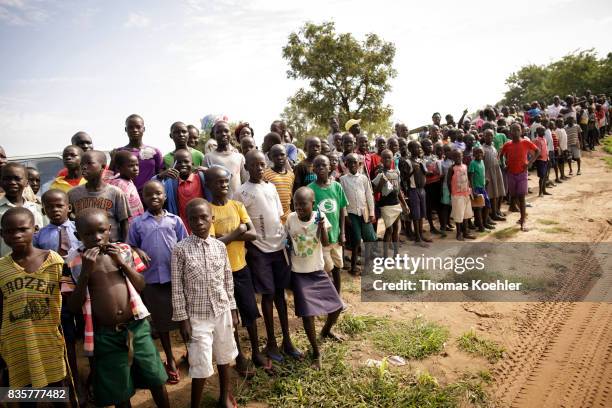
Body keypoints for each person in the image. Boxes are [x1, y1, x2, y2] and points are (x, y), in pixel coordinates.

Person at [66, 209, 169, 407]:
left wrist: (121, 263)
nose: (97, 238)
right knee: (120, 389)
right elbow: (73, 306)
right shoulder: (73, 263)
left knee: (156, 378)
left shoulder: (123, 251)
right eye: (88, 234)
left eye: (101, 231)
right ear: (78, 236)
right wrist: (86, 272)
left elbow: (141, 285)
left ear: (109, 230)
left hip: (136, 327)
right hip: (106, 334)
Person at [234, 150, 301, 363]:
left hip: (278, 247)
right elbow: (242, 224)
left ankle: (287, 341)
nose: (259, 168)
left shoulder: (271, 187)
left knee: (281, 295)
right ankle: (270, 342)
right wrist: (252, 245)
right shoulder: (241, 192)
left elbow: (279, 215)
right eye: (254, 165)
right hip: (259, 251)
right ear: (247, 167)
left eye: (262, 164)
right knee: (268, 295)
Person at [171, 199, 239, 408]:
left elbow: (227, 279)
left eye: (204, 217)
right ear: (187, 221)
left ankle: (224, 396)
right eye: (193, 218)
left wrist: (233, 308)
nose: (199, 222)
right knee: (200, 363)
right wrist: (183, 319)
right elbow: (177, 287)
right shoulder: (180, 250)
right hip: (197, 316)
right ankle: (195, 404)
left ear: (212, 218)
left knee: (224, 355)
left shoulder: (219, 246)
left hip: (222, 310)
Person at [207, 166, 270, 377]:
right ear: (208, 185)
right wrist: (237, 231)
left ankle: (255, 352)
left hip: (241, 269)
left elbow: (252, 234)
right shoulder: (207, 211)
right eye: (218, 182)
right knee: (231, 318)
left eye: (226, 182)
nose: (223, 185)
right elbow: (213, 244)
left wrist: (228, 236)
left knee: (250, 312)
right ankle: (240, 357)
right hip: (221, 274)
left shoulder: (237, 205)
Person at [0, 207, 69, 393]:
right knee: (24, 392)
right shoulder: (1, 267)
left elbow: (67, 298)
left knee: (57, 388)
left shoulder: (53, 261)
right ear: (2, 234)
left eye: (23, 229)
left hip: (47, 338)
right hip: (16, 342)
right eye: (10, 231)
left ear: (35, 229)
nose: (17, 235)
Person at [128, 180, 188, 385]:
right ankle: (170, 359)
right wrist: (138, 250)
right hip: (152, 281)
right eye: (149, 194)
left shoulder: (175, 220)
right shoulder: (137, 223)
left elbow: (185, 245)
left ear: (165, 197)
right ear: (143, 198)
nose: (154, 197)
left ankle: (191, 352)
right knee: (161, 324)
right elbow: (130, 247)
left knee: (183, 319)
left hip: (176, 279)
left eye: (158, 194)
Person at [286, 187, 344, 370]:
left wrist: (321, 227)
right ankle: (315, 351)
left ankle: (326, 330)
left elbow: (326, 243)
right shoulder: (290, 218)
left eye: (303, 204)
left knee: (337, 307)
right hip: (299, 272)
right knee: (307, 314)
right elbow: (287, 239)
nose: (299, 207)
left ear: (312, 204)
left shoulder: (319, 217)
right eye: (296, 204)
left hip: (317, 270)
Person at [33, 189, 82, 398]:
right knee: (66, 338)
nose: (55, 209)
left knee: (90, 335)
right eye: (50, 206)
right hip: (57, 295)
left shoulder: (80, 229)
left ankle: (95, 377)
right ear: (44, 209)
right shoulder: (39, 236)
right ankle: (74, 382)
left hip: (82, 289)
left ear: (69, 207)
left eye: (59, 205)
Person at [68, 150, 130, 243]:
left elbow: (124, 223)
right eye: (82, 164)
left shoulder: (115, 193)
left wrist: (124, 245)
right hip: (85, 246)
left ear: (103, 166)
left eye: (89, 163)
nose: (84, 167)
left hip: (112, 245)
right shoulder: (72, 194)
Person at [308, 155, 347, 294]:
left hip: (336, 236)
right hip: (320, 239)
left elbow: (342, 209)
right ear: (313, 170)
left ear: (330, 167)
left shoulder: (336, 187)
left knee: (337, 267)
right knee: (326, 269)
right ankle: (328, 296)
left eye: (324, 165)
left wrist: (342, 233)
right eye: (317, 166)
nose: (321, 168)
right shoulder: (310, 190)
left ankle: (338, 295)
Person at [339, 153, 376, 275]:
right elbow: (342, 200)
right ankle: (353, 267)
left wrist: (371, 212)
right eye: (350, 162)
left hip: (364, 212)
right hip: (351, 213)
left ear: (359, 164)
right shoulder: (343, 180)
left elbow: (369, 196)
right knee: (355, 239)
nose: (353, 164)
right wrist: (345, 215)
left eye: (355, 162)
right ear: (346, 165)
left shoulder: (364, 178)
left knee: (369, 237)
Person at [157, 149, 208, 234]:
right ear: (173, 165)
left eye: (186, 161)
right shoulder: (170, 183)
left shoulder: (201, 177)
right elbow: (153, 186)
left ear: (192, 164)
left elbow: (226, 174)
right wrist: (161, 176)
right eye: (179, 162)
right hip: (182, 226)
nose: (183, 164)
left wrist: (208, 170)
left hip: (202, 223)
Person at [500, 123, 540, 231]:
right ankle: (523, 215)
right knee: (514, 196)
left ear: (521, 131)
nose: (515, 132)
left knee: (521, 197)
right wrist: (504, 165)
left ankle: (523, 221)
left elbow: (537, 151)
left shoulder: (526, 142)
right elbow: (501, 155)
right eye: (513, 130)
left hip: (522, 173)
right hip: (511, 174)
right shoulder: (507, 144)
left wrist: (530, 162)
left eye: (517, 130)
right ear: (510, 132)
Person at [0, 163, 45, 256]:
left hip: (37, 263)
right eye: (7, 179)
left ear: (27, 183)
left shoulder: (38, 209)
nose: (12, 182)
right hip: (6, 266)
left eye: (17, 178)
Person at [112, 114, 164, 196]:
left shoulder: (155, 152)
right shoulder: (118, 152)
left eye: (138, 127)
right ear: (126, 129)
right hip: (126, 196)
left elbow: (161, 176)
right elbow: (111, 177)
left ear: (144, 129)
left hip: (150, 197)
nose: (135, 130)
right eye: (131, 127)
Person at [373, 150, 409, 254]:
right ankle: (385, 256)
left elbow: (398, 191)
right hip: (386, 205)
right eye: (385, 158)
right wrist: (381, 183)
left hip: (396, 204)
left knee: (396, 230)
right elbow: (375, 191)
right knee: (389, 230)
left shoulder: (396, 173)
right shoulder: (380, 173)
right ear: (381, 160)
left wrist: (404, 204)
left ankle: (396, 255)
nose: (387, 160)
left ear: (392, 158)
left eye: (389, 157)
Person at [204, 121, 246, 196]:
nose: (223, 134)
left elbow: (245, 182)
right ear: (214, 135)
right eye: (218, 132)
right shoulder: (208, 158)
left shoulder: (239, 157)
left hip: (237, 204)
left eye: (226, 131)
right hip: (217, 204)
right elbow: (206, 184)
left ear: (230, 133)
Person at [402, 142, 430, 246]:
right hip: (413, 190)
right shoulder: (408, 162)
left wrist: (423, 168)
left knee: (422, 213)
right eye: (416, 147)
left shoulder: (421, 160)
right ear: (410, 149)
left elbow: (426, 173)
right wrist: (413, 171)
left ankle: (421, 235)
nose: (419, 149)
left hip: (422, 189)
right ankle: (417, 237)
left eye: (419, 147)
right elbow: (404, 178)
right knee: (416, 214)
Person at [108, 150, 145, 223]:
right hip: (128, 225)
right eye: (131, 166)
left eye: (137, 165)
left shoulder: (126, 180)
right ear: (119, 168)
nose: (135, 169)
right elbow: (121, 210)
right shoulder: (120, 184)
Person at [446, 150, 475, 240]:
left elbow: (468, 180)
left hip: (466, 193)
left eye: (460, 156)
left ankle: (465, 232)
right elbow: (448, 182)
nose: (458, 158)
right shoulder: (452, 169)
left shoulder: (465, 166)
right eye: (456, 157)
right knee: (458, 215)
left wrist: (470, 191)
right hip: (457, 195)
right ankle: (458, 234)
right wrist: (452, 194)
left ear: (462, 156)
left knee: (466, 215)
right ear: (453, 158)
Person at [263, 144, 294, 223]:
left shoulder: (291, 175)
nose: (279, 157)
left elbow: (291, 196)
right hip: (273, 217)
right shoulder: (266, 174)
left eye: (282, 155)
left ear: (286, 155)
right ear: (270, 158)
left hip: (288, 217)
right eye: (275, 155)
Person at [481, 130, 506, 221]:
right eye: (487, 136)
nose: (489, 137)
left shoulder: (493, 147)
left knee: (498, 192)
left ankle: (496, 211)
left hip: (496, 170)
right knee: (491, 194)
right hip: (488, 173)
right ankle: (492, 214)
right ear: (484, 136)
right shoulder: (482, 149)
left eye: (491, 135)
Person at [468, 147, 494, 232]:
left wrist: (485, 180)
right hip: (476, 188)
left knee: (486, 205)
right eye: (477, 153)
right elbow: (471, 177)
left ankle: (485, 222)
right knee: (478, 208)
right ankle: (480, 226)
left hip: (482, 187)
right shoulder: (473, 163)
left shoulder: (482, 162)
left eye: (481, 153)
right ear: (474, 154)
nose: (479, 155)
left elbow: (482, 173)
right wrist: (472, 190)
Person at [422, 139, 443, 234]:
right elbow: (423, 171)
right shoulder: (421, 159)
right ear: (422, 148)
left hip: (437, 183)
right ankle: (431, 226)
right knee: (429, 207)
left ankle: (442, 225)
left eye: (431, 145)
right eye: (427, 145)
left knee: (439, 205)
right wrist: (427, 173)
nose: (430, 146)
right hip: (428, 185)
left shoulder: (435, 157)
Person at [533, 127, 550, 197]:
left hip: (545, 159)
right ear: (538, 132)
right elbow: (534, 149)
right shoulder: (536, 140)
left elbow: (545, 148)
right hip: (540, 160)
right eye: (542, 131)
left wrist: (548, 157)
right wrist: (537, 156)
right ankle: (540, 192)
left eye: (543, 131)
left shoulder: (544, 139)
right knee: (542, 177)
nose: (543, 132)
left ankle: (544, 190)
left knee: (545, 175)